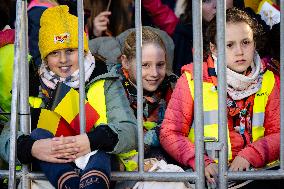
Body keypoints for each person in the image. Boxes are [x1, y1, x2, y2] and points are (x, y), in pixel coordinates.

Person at [0, 5, 137, 189]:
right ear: (45, 57)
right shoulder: (31, 85)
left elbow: (129, 130)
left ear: (83, 51)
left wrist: (90, 141)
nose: (63, 59)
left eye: (70, 50)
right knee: (39, 136)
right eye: (55, 53)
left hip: (102, 169)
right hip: (45, 174)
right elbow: (6, 137)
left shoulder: (105, 80)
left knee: (100, 151)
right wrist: (33, 148)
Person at [160, 7, 280, 188]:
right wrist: (201, 161)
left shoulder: (269, 78)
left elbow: (279, 133)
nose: (239, 51)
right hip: (207, 179)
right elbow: (170, 133)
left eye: (246, 42)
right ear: (214, 48)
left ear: (255, 43)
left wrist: (249, 155)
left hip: (258, 174)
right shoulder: (193, 79)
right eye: (229, 44)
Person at [118, 26, 178, 163]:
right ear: (125, 62)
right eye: (145, 65)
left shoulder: (174, 86)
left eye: (160, 64)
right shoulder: (112, 88)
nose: (154, 73)